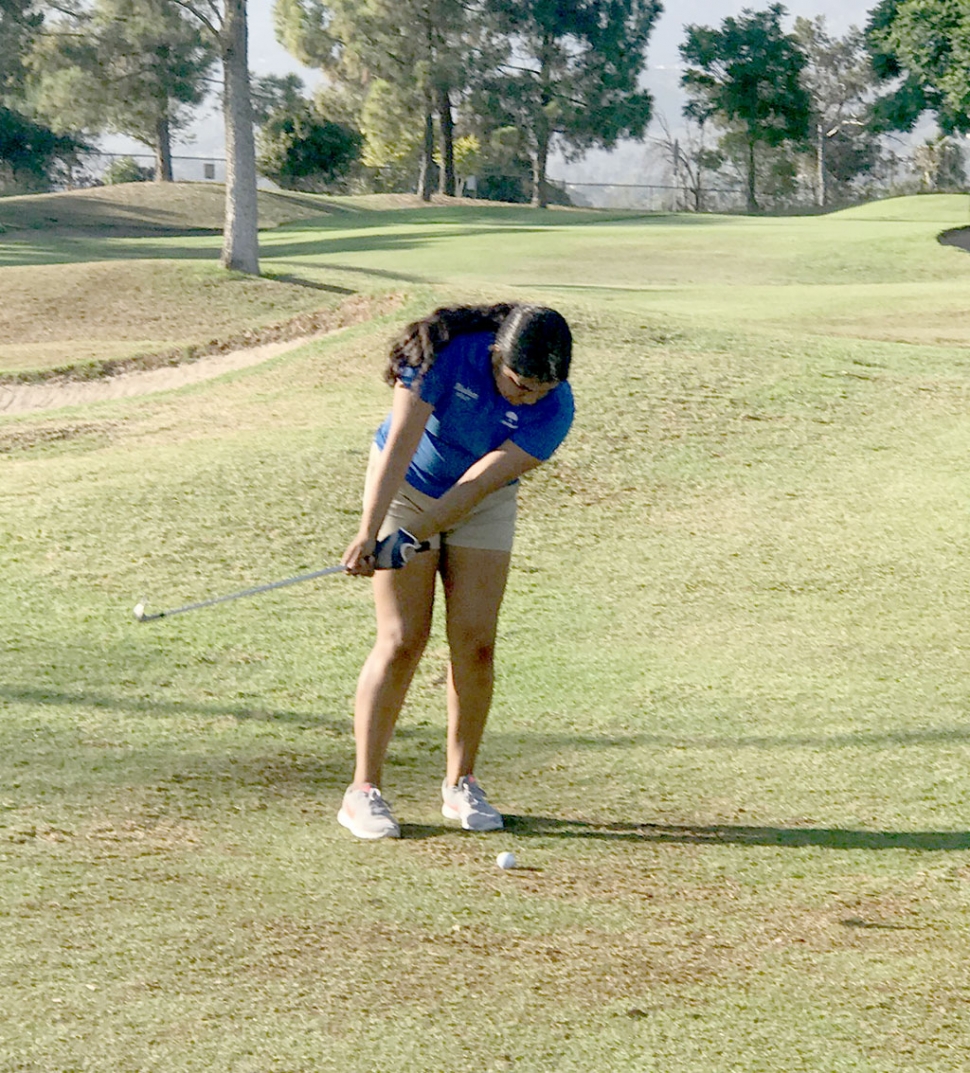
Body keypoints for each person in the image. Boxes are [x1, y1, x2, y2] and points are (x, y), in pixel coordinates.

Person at [338, 303, 574, 840]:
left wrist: (417, 536)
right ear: (495, 357)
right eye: (519, 385)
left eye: (541, 389)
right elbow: (398, 444)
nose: (528, 397)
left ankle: (460, 782)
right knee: (402, 638)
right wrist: (371, 532)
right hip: (405, 483)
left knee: (476, 642)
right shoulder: (444, 358)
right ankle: (363, 791)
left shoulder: (555, 408)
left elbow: (477, 486)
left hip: (480, 502)